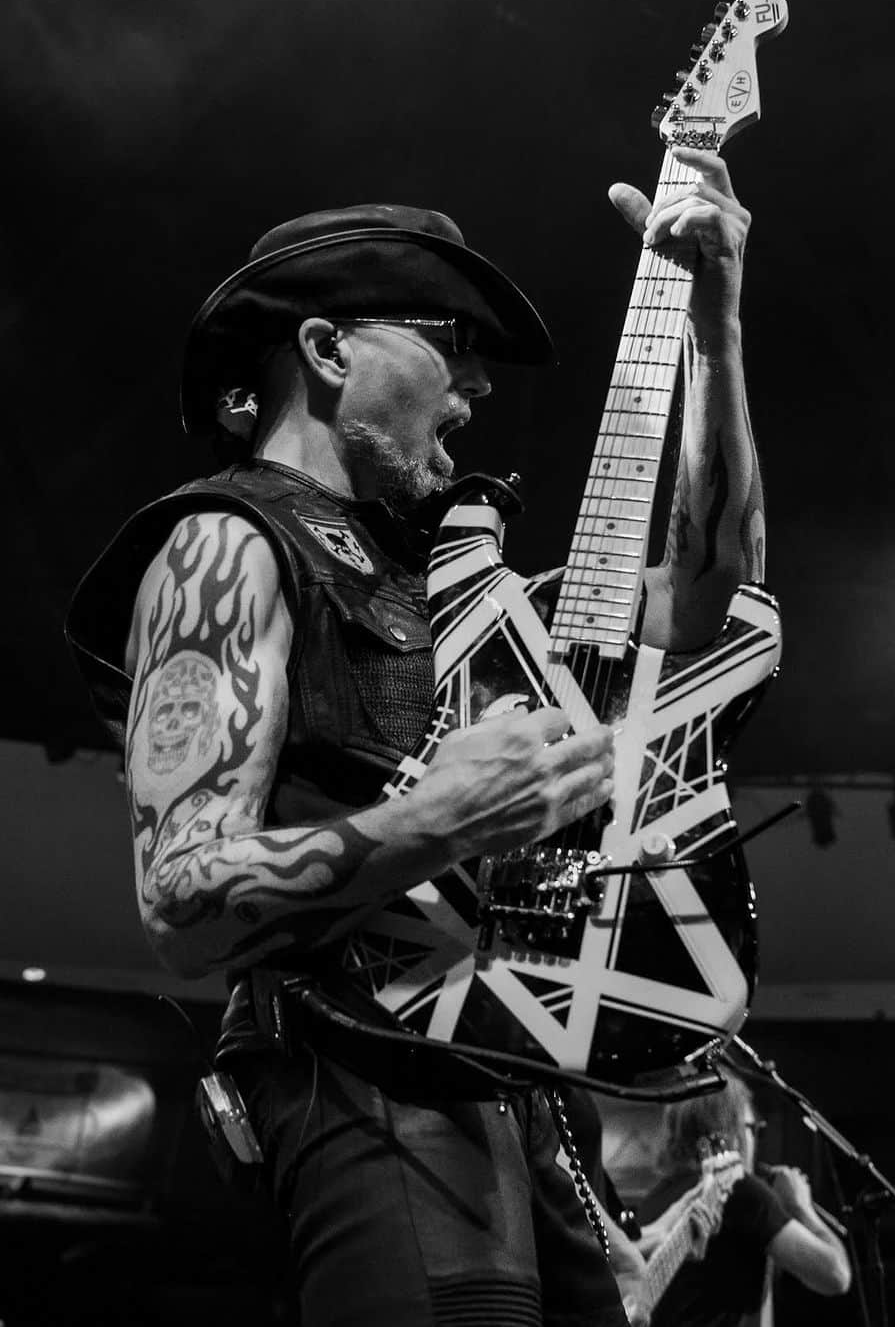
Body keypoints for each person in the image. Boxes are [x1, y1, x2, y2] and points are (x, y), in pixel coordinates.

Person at [66, 146, 766, 1327]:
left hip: (522, 1078)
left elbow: (705, 592)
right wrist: (441, 817)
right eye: (451, 342)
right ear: (330, 351)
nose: (477, 386)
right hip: (364, 1075)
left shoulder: (445, 577)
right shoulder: (224, 546)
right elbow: (182, 898)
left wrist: (716, 330)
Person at [636, 1069, 851, 1327]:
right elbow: (835, 1275)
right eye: (753, 1128)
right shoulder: (740, 1189)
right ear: (731, 1132)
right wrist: (802, 1208)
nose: (755, 1139)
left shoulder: (653, 1198)